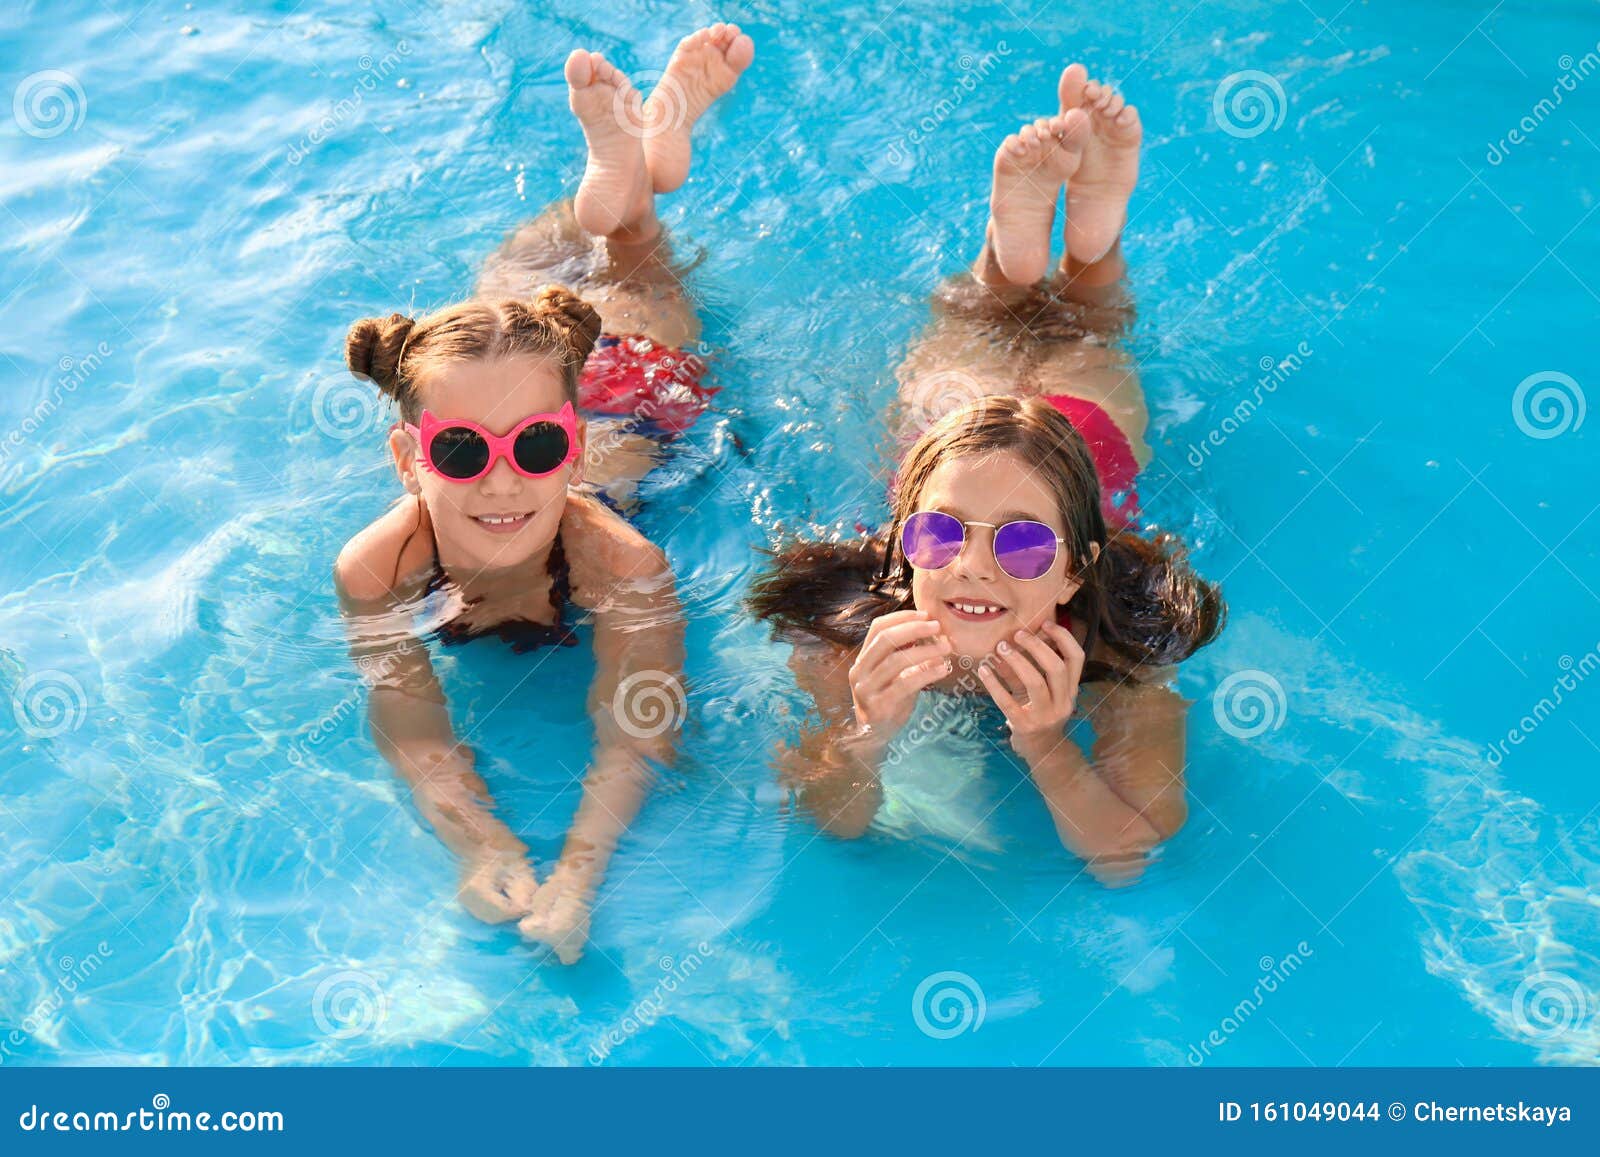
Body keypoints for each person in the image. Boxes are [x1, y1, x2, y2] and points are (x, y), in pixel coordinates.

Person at [334, 24, 754, 961]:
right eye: (456, 452)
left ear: (565, 449)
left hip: (635, 399)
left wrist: (577, 874)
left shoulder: (624, 560)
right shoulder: (373, 568)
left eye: (533, 449)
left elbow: (641, 727)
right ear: (408, 459)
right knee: (541, 282)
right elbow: (412, 733)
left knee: (632, 253)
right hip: (515, 363)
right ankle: (637, 160)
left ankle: (641, 166)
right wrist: (477, 846)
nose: (500, 477)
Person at [749, 65, 1224, 885]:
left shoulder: (1118, 641)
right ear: (903, 544)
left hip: (1086, 449)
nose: (972, 563)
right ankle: (1028, 243)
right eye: (939, 536)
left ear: (1078, 568)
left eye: (1025, 547)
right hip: (958, 449)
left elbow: (1126, 854)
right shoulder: (849, 633)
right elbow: (836, 819)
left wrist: (1044, 744)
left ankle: (1082, 239)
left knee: (1073, 336)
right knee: (1052, 336)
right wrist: (863, 730)